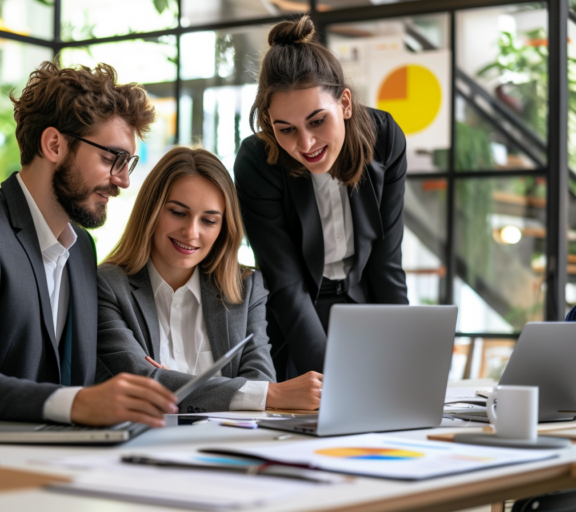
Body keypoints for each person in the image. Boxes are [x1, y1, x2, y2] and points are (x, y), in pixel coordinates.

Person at [0, 61, 179, 427]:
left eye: (128, 164)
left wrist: (135, 381)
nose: (123, 181)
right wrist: (79, 404)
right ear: (54, 144)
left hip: (47, 455)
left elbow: (71, 375)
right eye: (112, 159)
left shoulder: (81, 250)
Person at [234, 16, 408, 380]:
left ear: (345, 103)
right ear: (269, 122)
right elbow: (285, 283)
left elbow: (386, 261)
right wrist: (335, 380)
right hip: (294, 322)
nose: (306, 144)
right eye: (286, 129)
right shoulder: (257, 161)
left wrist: (401, 353)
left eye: (317, 121)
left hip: (364, 307)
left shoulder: (385, 138)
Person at [97, 147, 322, 413]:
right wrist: (255, 392)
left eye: (209, 220)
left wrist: (169, 382)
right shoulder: (107, 286)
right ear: (152, 211)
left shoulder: (246, 289)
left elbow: (260, 383)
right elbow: (139, 383)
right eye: (178, 213)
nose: (191, 232)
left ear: (223, 228)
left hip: (228, 445)